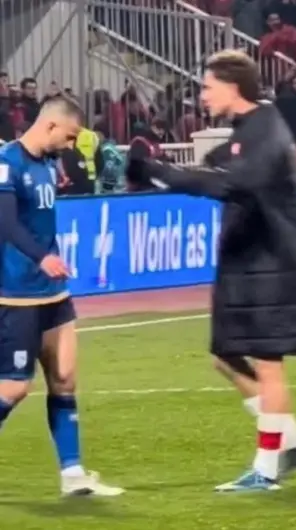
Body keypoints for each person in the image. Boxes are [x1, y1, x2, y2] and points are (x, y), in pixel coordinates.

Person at [126, 50, 296, 493]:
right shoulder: (248, 130)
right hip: (249, 261)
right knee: (225, 356)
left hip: (273, 262)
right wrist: (163, 171)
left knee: (269, 365)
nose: (202, 96)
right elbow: (220, 171)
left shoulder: (266, 129)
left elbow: (233, 183)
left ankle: (266, 469)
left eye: (207, 87)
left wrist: (161, 172)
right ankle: (293, 440)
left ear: (233, 87)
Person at [0, 96, 123, 496]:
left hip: (53, 292)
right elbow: (5, 223)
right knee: (14, 388)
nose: (71, 146)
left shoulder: (49, 165)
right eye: (69, 137)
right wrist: (42, 257)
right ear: (50, 126)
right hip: (15, 292)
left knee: (65, 378)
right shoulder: (8, 162)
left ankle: (73, 476)